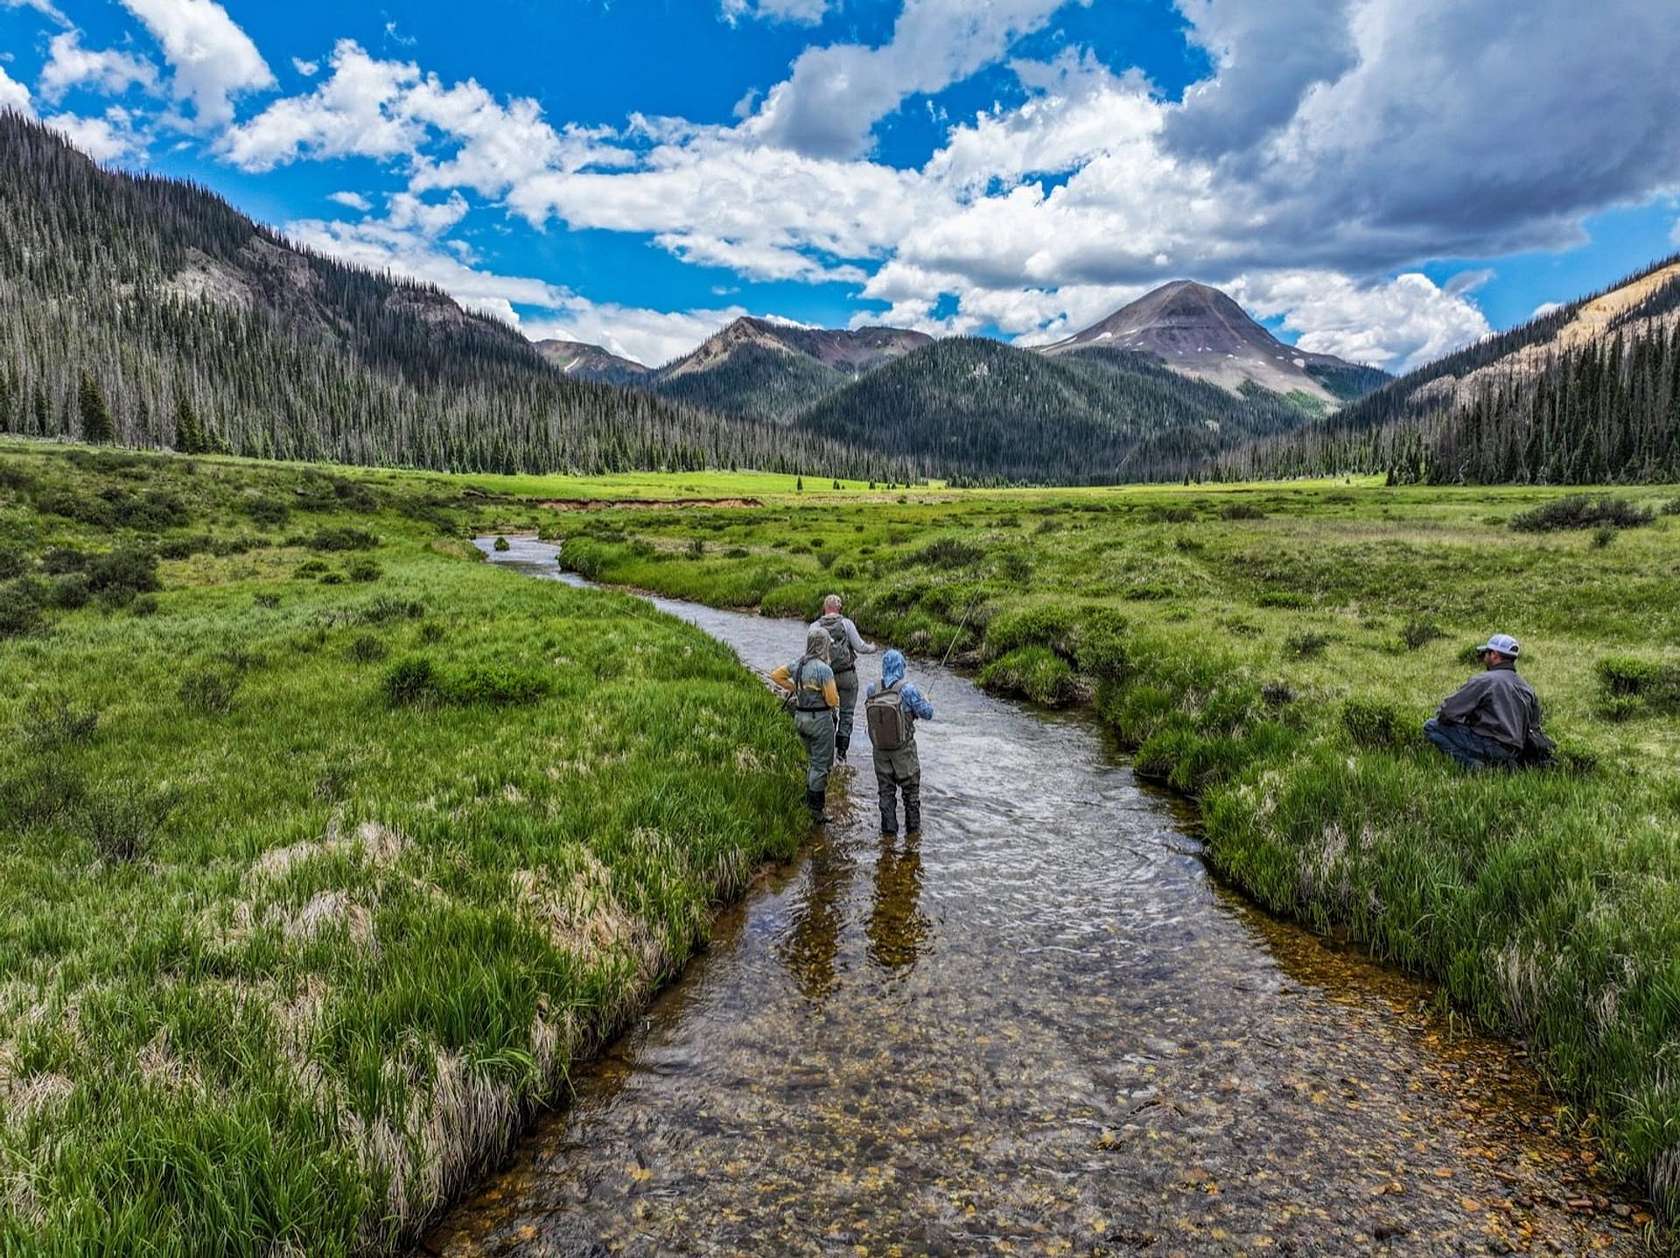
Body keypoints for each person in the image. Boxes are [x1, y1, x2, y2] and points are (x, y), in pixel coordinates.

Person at [1424, 633, 1547, 770]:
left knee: (1431, 726)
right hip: (1514, 751)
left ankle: (1471, 765)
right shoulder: (1527, 687)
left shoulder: (1485, 680)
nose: (1484, 657)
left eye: (1486, 653)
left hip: (1489, 744)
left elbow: (1448, 712)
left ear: (1494, 655)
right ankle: (1502, 766)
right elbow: (1534, 727)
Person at [771, 628, 841, 822]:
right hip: (819, 721)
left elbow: (776, 675)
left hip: (800, 720)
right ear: (823, 645)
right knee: (821, 765)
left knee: (812, 760)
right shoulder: (824, 669)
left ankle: (808, 799)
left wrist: (795, 687)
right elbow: (832, 700)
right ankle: (815, 811)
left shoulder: (798, 664)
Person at [864, 649, 934, 836]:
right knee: (911, 795)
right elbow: (928, 713)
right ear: (901, 666)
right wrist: (925, 700)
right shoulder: (908, 690)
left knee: (886, 794)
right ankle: (913, 838)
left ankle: (888, 836)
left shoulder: (872, 688)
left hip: (880, 751)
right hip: (904, 752)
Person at [811, 594, 876, 763]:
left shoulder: (815, 626)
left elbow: (810, 654)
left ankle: (827, 749)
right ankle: (842, 754)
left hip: (825, 676)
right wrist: (873, 648)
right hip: (847, 675)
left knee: (827, 711)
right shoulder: (846, 624)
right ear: (839, 608)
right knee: (847, 713)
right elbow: (860, 647)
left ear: (824, 607)